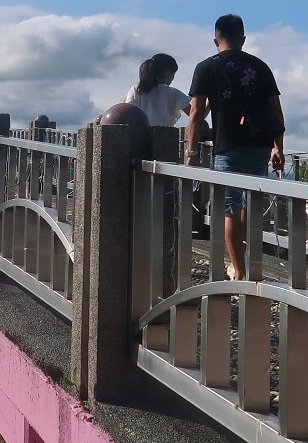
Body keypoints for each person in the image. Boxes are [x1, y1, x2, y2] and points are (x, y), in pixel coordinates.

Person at [184, 14, 285, 281]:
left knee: (230, 210)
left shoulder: (206, 67)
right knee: (250, 206)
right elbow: (276, 111)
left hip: (227, 146)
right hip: (260, 146)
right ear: (243, 39)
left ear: (215, 40)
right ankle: (251, 269)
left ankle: (239, 272)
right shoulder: (260, 66)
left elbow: (196, 113)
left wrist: (192, 153)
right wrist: (278, 147)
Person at [121, 53, 192, 126]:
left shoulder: (136, 89)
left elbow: (127, 113)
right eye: (173, 74)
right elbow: (194, 113)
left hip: (138, 132)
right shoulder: (173, 93)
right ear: (167, 72)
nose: (173, 78)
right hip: (165, 133)